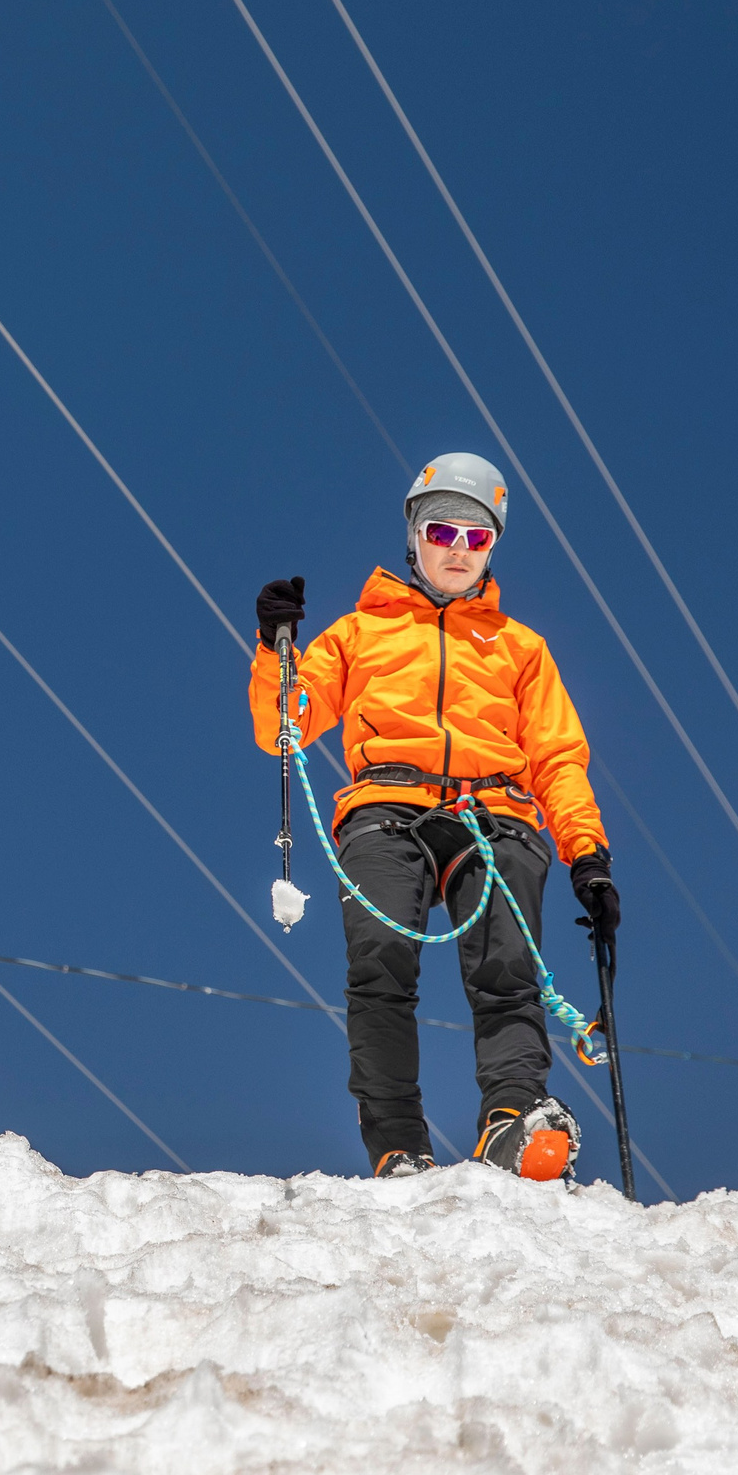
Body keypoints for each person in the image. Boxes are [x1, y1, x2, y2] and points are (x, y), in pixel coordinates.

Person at [251, 453, 617, 1180]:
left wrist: (587, 855)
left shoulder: (519, 649)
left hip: (495, 810)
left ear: (492, 551)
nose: (458, 549)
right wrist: (275, 651)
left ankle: (511, 1121)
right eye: (444, 531)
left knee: (508, 968)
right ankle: (396, 1141)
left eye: (477, 539)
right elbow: (283, 725)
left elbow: (556, 759)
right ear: (414, 535)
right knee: (381, 964)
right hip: (387, 803)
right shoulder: (359, 634)